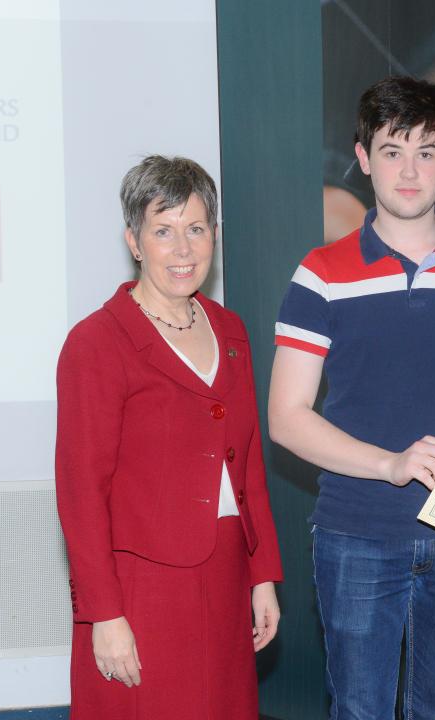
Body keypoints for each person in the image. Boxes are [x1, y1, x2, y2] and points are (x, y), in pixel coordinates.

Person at [268, 76, 435, 719]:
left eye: (427, 151)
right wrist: (390, 463)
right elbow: (286, 419)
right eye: (391, 150)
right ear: (362, 158)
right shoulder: (320, 274)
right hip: (357, 534)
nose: (409, 171)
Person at [55, 155, 283, 720]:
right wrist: (103, 616)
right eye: (164, 230)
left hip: (227, 576)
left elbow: (248, 465)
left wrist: (263, 577)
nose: (183, 249)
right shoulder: (96, 343)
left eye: (196, 228)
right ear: (134, 241)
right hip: (141, 589)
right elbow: (81, 493)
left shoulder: (230, 330)